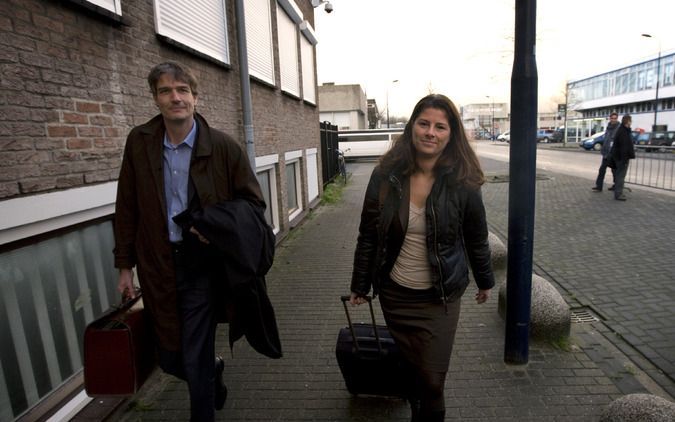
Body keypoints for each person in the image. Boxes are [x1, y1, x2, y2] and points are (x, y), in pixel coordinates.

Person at [114, 61, 280, 422]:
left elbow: (253, 204)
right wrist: (125, 266)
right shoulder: (139, 143)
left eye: (182, 90)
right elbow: (126, 207)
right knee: (171, 357)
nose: (175, 97)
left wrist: (214, 225)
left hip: (201, 265)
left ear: (195, 96)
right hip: (156, 265)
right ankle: (212, 370)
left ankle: (203, 402)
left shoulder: (223, 146)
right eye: (165, 91)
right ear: (155, 98)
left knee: (193, 353)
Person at [349, 94, 495, 421]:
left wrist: (485, 281)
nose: (431, 132)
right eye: (424, 123)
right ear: (412, 127)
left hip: (439, 298)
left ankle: (423, 404)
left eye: (440, 126)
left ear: (451, 134)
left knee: (433, 380)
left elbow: (476, 237)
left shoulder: (464, 182)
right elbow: (369, 234)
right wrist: (360, 284)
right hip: (395, 294)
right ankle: (416, 402)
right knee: (413, 365)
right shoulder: (385, 175)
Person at [592, 112, 620, 192]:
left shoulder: (618, 128)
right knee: (602, 170)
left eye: (615, 118)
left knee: (614, 171)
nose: (613, 120)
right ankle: (599, 186)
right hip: (606, 153)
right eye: (612, 118)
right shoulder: (608, 127)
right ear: (610, 118)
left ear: (617, 119)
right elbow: (606, 139)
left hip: (614, 153)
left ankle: (616, 185)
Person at [610, 114, 636, 201]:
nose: (631, 123)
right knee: (620, 176)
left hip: (619, 156)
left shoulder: (623, 130)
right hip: (621, 158)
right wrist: (624, 158)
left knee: (619, 175)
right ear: (628, 121)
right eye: (630, 121)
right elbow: (624, 146)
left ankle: (618, 192)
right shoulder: (623, 131)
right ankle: (618, 193)